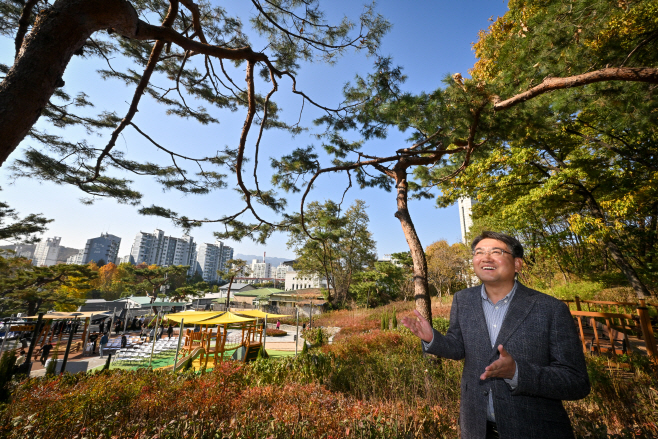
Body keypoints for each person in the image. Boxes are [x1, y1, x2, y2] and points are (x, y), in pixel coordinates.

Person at [402, 231, 590, 439]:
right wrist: (432, 339)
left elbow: (576, 382)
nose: (485, 257)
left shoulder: (550, 309)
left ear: (517, 264)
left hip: (534, 429)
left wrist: (517, 372)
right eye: (479, 252)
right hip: (476, 428)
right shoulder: (463, 300)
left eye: (496, 252)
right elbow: (458, 347)